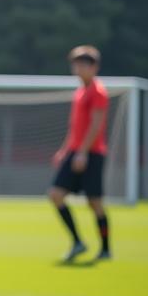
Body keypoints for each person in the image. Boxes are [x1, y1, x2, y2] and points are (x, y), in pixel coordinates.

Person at [49, 45, 111, 264]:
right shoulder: (80, 91)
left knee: (94, 202)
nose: (78, 68)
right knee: (56, 195)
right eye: (75, 64)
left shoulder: (98, 92)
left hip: (91, 154)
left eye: (83, 64)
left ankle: (105, 249)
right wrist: (65, 150)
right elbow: (75, 127)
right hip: (75, 152)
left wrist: (82, 153)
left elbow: (96, 125)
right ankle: (78, 242)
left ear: (94, 67)